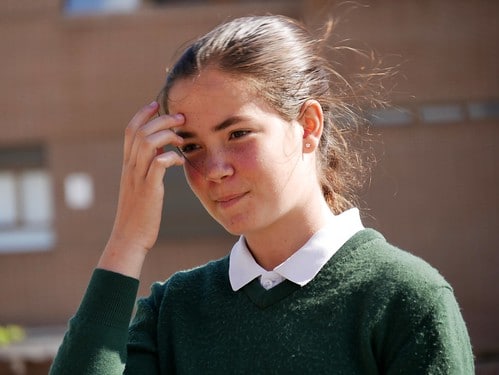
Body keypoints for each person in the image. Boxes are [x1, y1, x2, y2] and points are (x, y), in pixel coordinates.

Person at [49, 14, 474, 374]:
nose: (215, 169)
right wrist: (127, 238)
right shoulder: (174, 310)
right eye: (191, 146)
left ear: (309, 126)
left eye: (238, 134)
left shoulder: (405, 299)